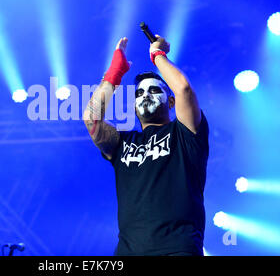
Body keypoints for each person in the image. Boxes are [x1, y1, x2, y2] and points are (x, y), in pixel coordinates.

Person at [83, 36, 209, 256]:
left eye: (154, 90)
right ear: (133, 106)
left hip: (177, 250)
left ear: (171, 102)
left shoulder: (184, 133)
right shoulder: (122, 143)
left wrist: (158, 55)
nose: (145, 95)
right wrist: (114, 73)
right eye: (139, 93)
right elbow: (91, 120)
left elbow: (184, 89)